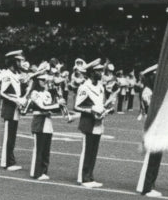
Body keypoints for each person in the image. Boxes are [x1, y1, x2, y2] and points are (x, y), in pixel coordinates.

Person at [73, 59, 108, 187]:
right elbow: (77, 106)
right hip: (88, 122)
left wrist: (104, 109)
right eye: (98, 71)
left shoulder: (100, 87)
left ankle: (90, 176)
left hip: (98, 123)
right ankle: (83, 178)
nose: (101, 73)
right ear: (92, 73)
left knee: (93, 151)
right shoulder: (84, 87)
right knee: (87, 150)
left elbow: (100, 104)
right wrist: (91, 110)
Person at [26, 68, 65, 180]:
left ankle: (43, 170)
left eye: (45, 80)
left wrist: (60, 104)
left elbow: (51, 108)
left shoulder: (47, 93)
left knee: (46, 149)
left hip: (48, 122)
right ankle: (36, 172)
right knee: (39, 149)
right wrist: (57, 105)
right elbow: (42, 107)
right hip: (39, 122)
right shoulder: (34, 93)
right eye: (42, 80)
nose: (45, 82)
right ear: (37, 81)